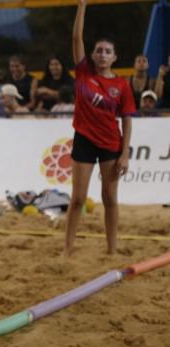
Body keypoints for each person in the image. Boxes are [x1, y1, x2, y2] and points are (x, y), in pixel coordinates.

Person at [64, 0, 136, 256]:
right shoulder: (84, 72)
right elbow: (76, 38)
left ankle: (112, 249)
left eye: (107, 51)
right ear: (92, 54)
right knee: (78, 199)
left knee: (110, 199)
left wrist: (125, 153)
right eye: (99, 50)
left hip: (111, 144)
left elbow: (127, 119)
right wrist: (82, 6)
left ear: (114, 57)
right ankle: (68, 248)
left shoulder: (122, 85)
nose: (102, 54)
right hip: (84, 139)